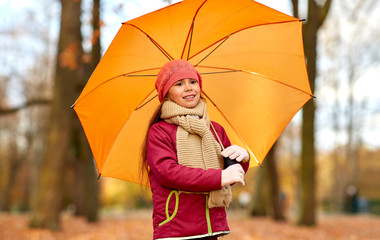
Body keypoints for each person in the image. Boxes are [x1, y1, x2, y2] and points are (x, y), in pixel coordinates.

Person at [141, 59, 250, 240]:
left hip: (212, 226)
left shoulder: (215, 129)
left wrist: (242, 159)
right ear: (166, 94)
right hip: (176, 229)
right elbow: (169, 173)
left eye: (193, 82)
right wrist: (219, 177)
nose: (189, 88)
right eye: (179, 84)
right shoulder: (160, 131)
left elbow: (229, 176)